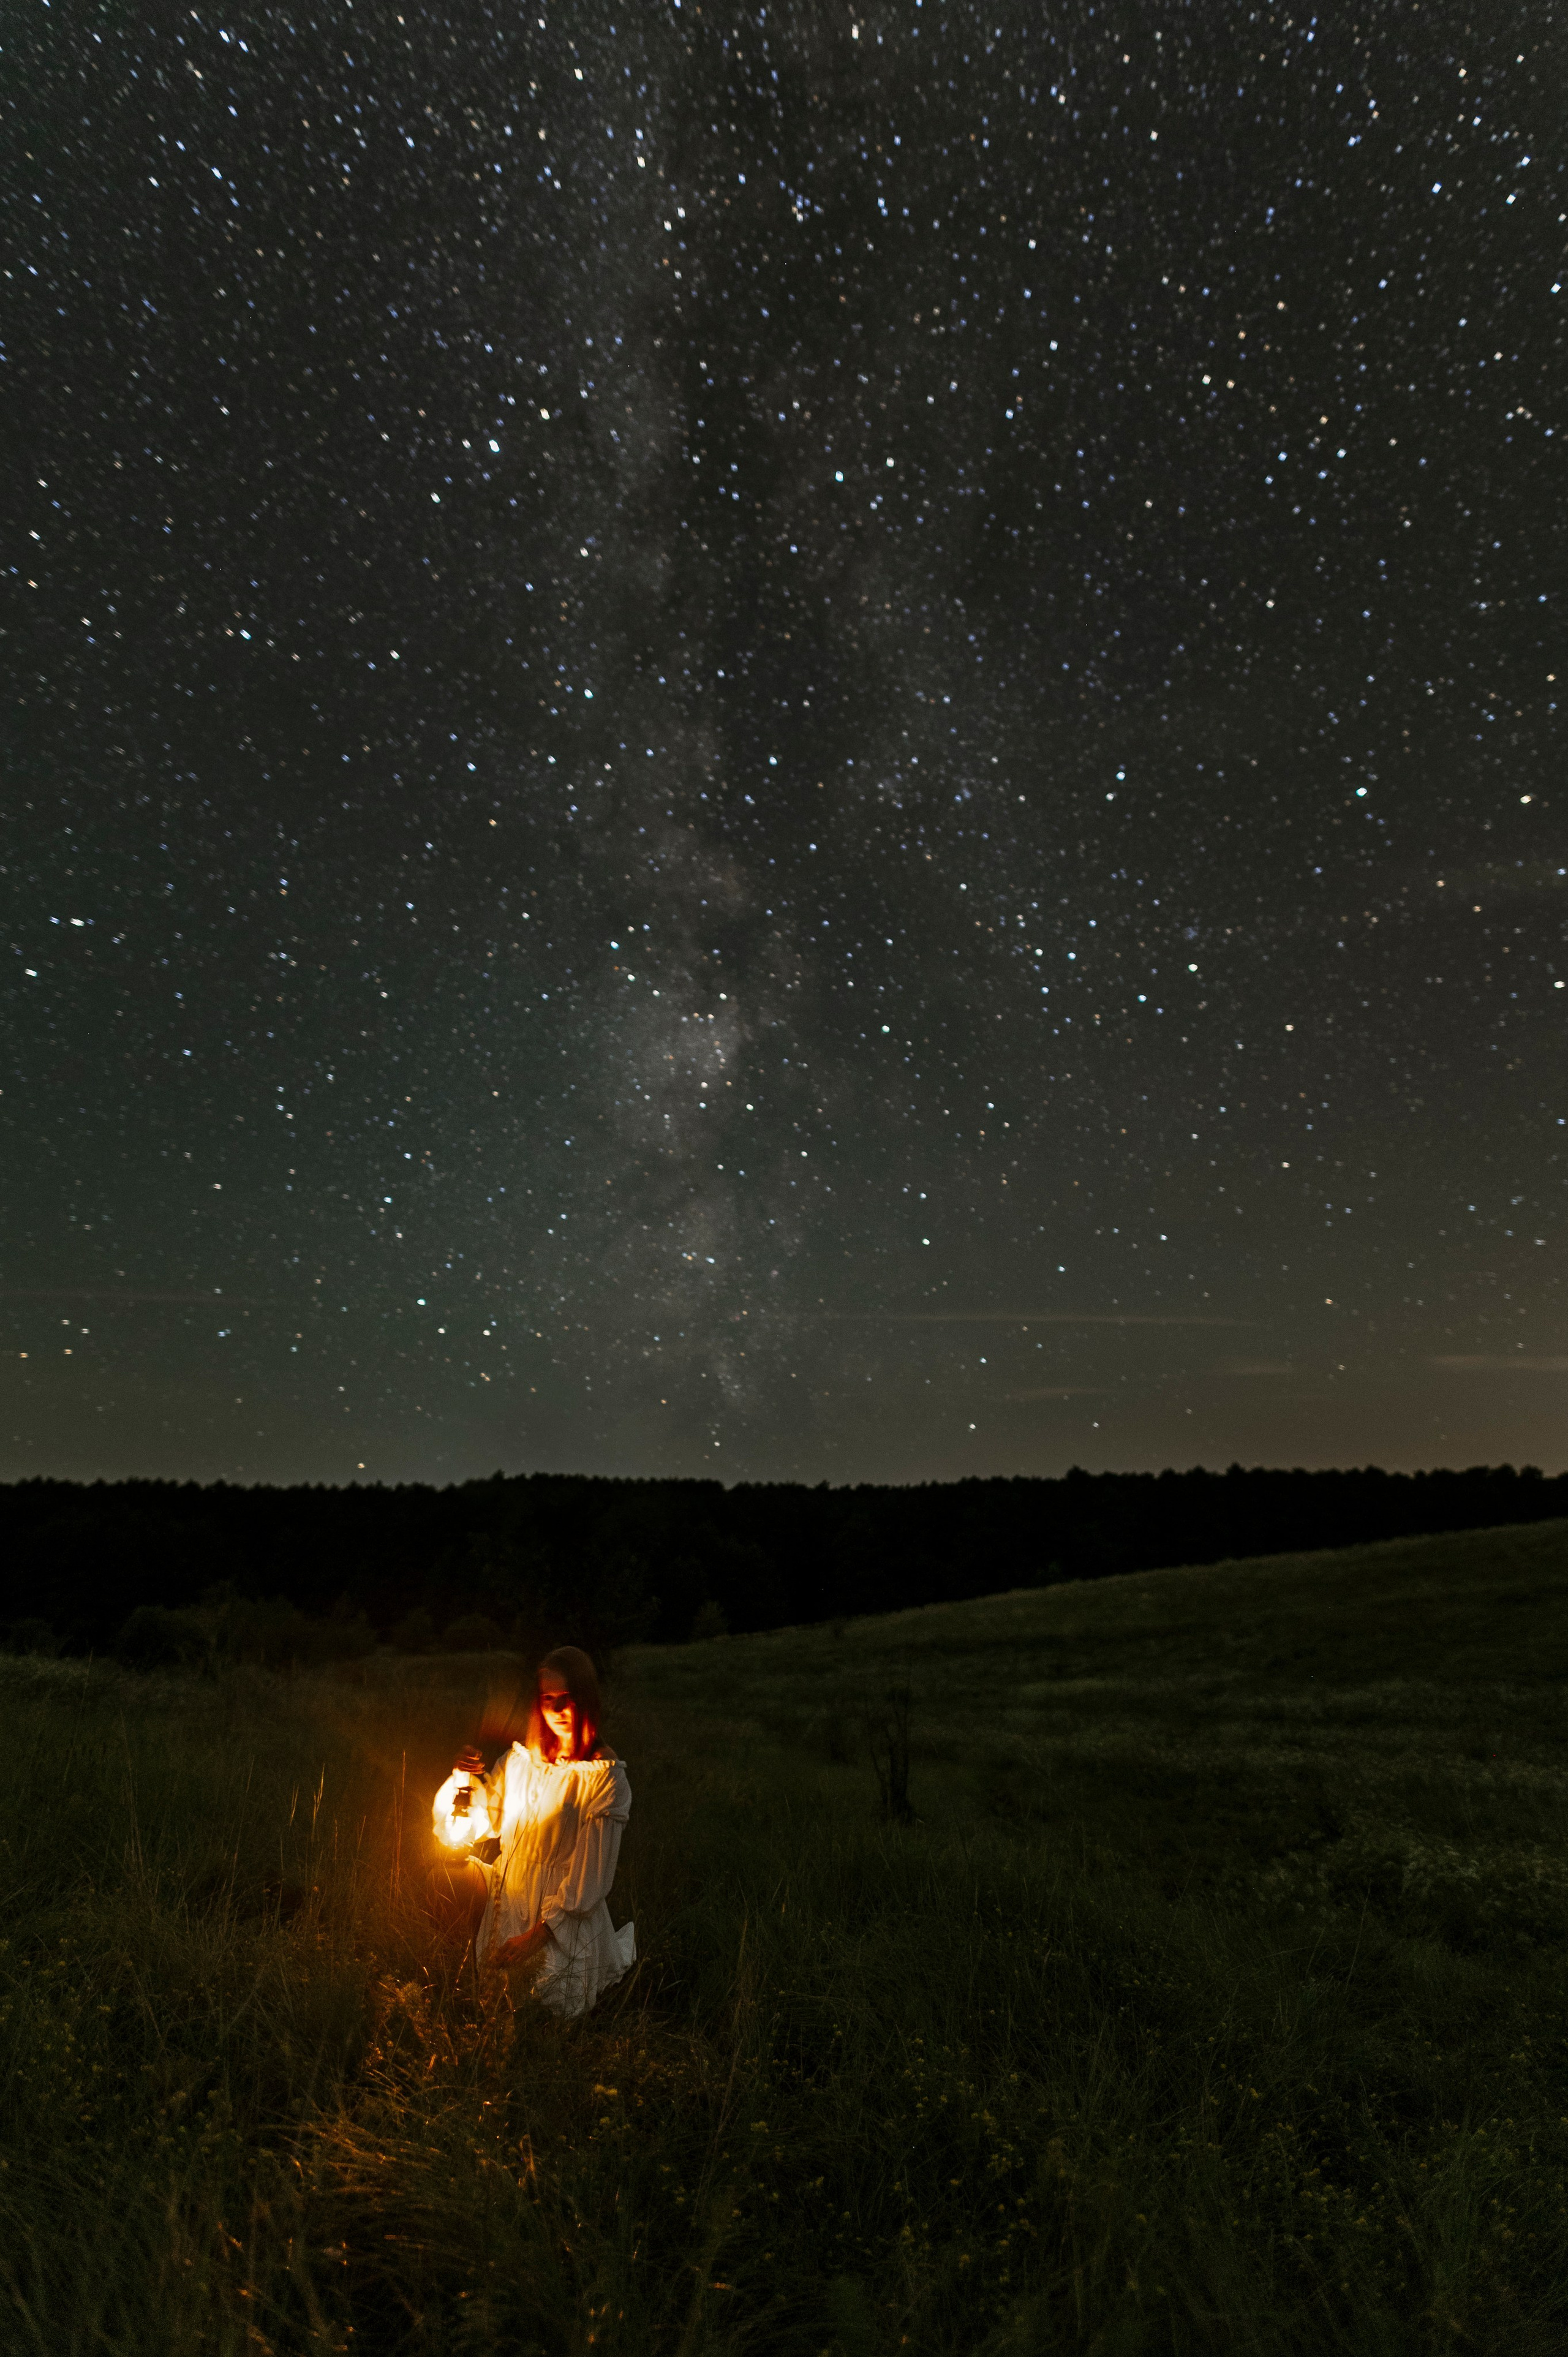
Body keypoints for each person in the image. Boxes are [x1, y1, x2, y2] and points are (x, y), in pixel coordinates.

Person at [431, 1646, 635, 2018]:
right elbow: (479, 1823)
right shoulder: (522, 1762)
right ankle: (453, 1969)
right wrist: (463, 1778)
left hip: (560, 1916)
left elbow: (590, 1882)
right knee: (446, 1876)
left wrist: (536, 1936)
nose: (558, 1710)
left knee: (538, 2000)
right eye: (549, 1699)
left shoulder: (603, 1778)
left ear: (586, 1698)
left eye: (568, 1698)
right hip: (510, 1891)